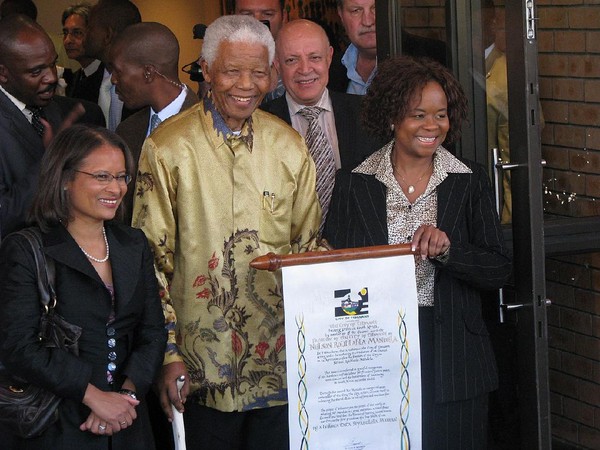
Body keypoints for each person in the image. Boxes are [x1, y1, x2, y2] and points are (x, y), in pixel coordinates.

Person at [132, 15, 321, 450]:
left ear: (272, 75)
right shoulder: (167, 147)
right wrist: (169, 353)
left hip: (279, 367)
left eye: (258, 72)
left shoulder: (290, 146)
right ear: (207, 69)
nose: (246, 84)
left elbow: (308, 248)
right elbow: (150, 262)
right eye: (232, 70)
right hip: (200, 374)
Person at [323, 55, 512, 448]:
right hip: (376, 356)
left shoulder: (470, 179)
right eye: (418, 115)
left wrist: (449, 251)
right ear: (392, 117)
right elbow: (335, 275)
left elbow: (498, 269)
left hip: (455, 359)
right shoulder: (353, 183)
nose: (432, 126)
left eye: (440, 115)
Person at [0, 124, 167, 449]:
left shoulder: (133, 243)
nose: (116, 188)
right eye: (102, 176)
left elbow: (153, 331)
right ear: (64, 179)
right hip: (55, 423)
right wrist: (93, 397)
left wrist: (126, 396)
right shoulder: (26, 248)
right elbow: (18, 347)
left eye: (121, 177)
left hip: (127, 424)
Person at [261, 19, 383, 226]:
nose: (305, 69)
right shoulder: (260, 124)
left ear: (329, 57)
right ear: (277, 65)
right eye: (292, 60)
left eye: (314, 57)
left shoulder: (369, 113)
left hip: (356, 251)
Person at [0, 14, 105, 238]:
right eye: (36, 72)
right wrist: (51, 158)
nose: (51, 78)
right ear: (3, 73)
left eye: (52, 64)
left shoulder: (78, 113)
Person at [110, 22, 199, 224]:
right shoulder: (127, 130)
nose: (113, 80)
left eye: (118, 71)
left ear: (148, 73)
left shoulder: (208, 127)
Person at [84, 0, 141, 130]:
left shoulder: (146, 86)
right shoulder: (85, 86)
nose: (85, 34)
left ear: (107, 35)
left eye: (90, 28)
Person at [234, 0, 288, 102]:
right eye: (247, 15)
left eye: (268, 14)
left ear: (283, 17)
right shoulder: (219, 62)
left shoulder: (303, 60)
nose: (257, 22)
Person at [62, 3, 104, 104]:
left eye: (77, 33)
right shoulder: (77, 76)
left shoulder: (108, 77)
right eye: (65, 33)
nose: (67, 40)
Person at [336, 0, 377, 95]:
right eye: (356, 11)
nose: (368, 22)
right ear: (341, 15)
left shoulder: (417, 60)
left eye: (376, 8)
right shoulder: (328, 69)